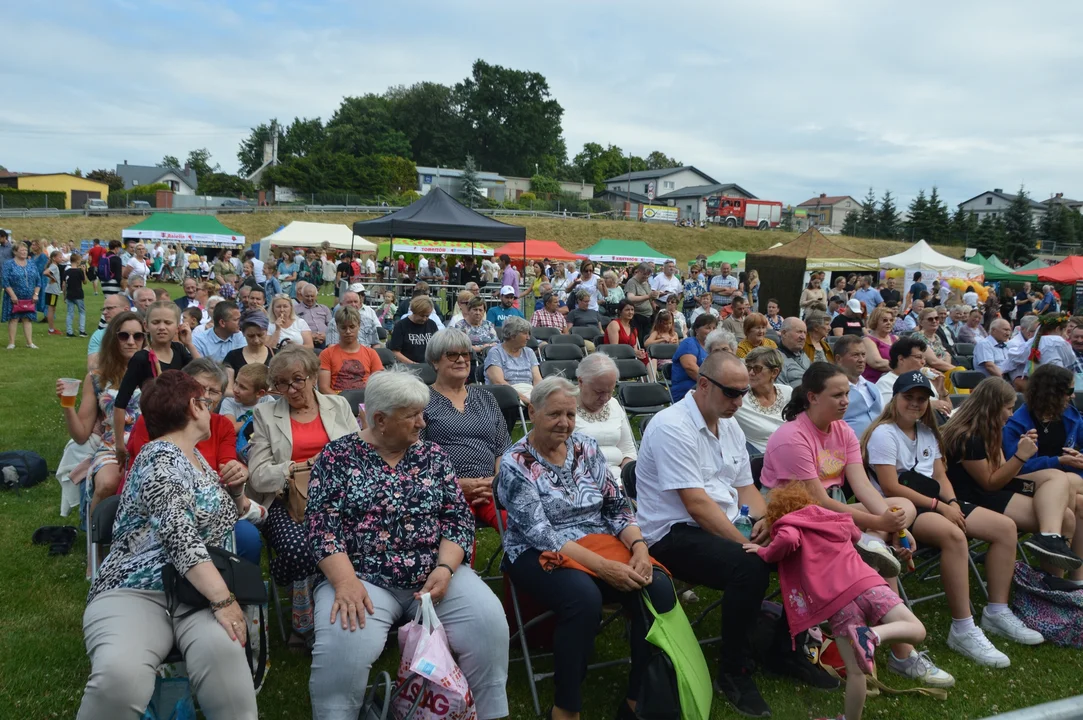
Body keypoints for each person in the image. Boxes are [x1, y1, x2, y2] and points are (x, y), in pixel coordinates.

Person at [308, 368, 508, 720]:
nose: (422, 422)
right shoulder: (337, 457)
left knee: (488, 624)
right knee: (343, 646)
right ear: (380, 419)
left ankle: (489, 712)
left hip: (434, 573)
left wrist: (446, 569)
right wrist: (344, 582)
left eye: (422, 413)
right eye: (412, 415)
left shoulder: (432, 455)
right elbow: (322, 527)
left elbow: (456, 518)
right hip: (362, 576)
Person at [75, 371, 258, 720]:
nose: (210, 410)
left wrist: (235, 493)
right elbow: (180, 536)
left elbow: (213, 521)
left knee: (227, 662)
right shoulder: (160, 457)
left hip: (194, 593)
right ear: (194, 407)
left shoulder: (195, 458)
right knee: (120, 678)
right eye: (206, 402)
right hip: (136, 590)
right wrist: (223, 599)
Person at [497, 376, 672, 720]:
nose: (564, 423)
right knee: (583, 599)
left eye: (571, 414)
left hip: (599, 540)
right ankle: (565, 708)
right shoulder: (515, 462)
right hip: (535, 551)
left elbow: (617, 507)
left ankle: (638, 698)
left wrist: (638, 549)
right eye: (555, 414)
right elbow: (540, 533)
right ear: (532, 412)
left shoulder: (586, 447)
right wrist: (603, 568)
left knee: (659, 588)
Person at [862, 371, 1043, 669]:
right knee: (954, 535)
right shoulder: (884, 432)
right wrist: (939, 505)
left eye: (922, 399)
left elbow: (940, 475)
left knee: (1005, 527)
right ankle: (962, 628)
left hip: (935, 502)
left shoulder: (926, 432)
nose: (916, 404)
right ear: (895, 398)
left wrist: (952, 502)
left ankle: (996, 612)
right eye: (909, 397)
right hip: (902, 508)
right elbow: (891, 485)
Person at [635, 352, 773, 715]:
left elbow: (746, 489)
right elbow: (696, 505)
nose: (739, 402)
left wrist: (767, 522)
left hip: (722, 522)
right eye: (731, 393)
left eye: (744, 393)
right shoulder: (671, 426)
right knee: (751, 566)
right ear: (703, 384)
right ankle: (734, 671)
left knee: (796, 541)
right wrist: (748, 544)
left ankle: (784, 646)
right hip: (670, 533)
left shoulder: (730, 424)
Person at [750, 482, 926, 720]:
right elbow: (855, 534)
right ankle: (875, 636)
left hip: (838, 603)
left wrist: (763, 551)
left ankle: (869, 641)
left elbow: (789, 540)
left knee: (856, 672)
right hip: (867, 583)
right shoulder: (834, 517)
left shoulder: (788, 525)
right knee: (917, 630)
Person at [942, 377, 1083, 584]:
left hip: (995, 489)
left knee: (1058, 477)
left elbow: (1000, 469)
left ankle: (1049, 540)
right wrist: (1020, 456)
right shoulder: (967, 437)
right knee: (1067, 517)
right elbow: (989, 483)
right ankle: (1052, 582)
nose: (1011, 414)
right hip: (975, 497)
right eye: (1008, 408)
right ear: (992, 407)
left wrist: (1020, 450)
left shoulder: (991, 428)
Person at [248, 346, 360, 595]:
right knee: (301, 549)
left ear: (311, 376)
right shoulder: (265, 414)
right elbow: (257, 476)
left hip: (340, 496)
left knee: (363, 537)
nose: (290, 390)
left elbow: (359, 454)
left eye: (297, 380)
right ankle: (303, 616)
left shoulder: (338, 404)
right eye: (282, 384)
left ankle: (342, 594)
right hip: (289, 501)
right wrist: (302, 467)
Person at [421, 329, 510, 531]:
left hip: (491, 489)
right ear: (435, 362)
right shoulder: (422, 401)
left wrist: (496, 482)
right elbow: (414, 455)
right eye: (452, 355)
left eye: (466, 354)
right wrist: (456, 485)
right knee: (457, 537)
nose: (461, 360)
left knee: (520, 527)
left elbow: (503, 447)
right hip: (445, 491)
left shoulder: (486, 398)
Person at [62, 311, 147, 514]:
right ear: (113, 338)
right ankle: (96, 541)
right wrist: (67, 406)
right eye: (123, 335)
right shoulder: (98, 378)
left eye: (138, 336)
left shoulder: (155, 372)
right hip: (114, 446)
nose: (131, 341)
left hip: (149, 443)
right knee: (107, 483)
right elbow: (81, 434)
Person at [114, 302, 199, 471]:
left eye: (168, 323)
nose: (161, 327)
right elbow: (120, 403)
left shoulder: (179, 350)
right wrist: (119, 445)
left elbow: (201, 372)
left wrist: (189, 343)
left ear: (177, 326)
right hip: (151, 429)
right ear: (146, 326)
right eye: (156, 322)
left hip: (180, 425)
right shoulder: (141, 359)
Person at [574, 353, 637, 479]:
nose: (605, 398)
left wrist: (627, 480)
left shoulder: (614, 404)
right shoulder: (564, 408)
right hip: (583, 482)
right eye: (599, 392)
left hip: (619, 481)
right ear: (581, 382)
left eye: (610, 391)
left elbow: (628, 451)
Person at [875, 336, 954, 418]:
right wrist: (931, 405)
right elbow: (890, 412)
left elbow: (949, 410)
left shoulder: (923, 379)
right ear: (901, 359)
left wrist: (941, 391)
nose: (923, 362)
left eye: (924, 359)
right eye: (918, 357)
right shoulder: (885, 382)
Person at [735, 346, 792, 453]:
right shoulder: (739, 397)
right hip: (760, 458)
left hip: (793, 451)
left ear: (774, 372)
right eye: (748, 368)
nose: (751, 373)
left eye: (757, 368)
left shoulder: (788, 392)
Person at [318, 306, 385, 393]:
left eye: (352, 327)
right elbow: (323, 388)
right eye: (343, 328)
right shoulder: (326, 354)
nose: (348, 331)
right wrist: (343, 403)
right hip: (337, 401)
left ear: (359, 326)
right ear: (337, 327)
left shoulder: (371, 353)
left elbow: (379, 385)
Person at [835, 334, 884, 437]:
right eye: (855, 355)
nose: (861, 360)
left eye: (863, 354)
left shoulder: (873, 388)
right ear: (839, 359)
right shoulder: (831, 390)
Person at [484, 316, 541, 405]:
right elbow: (498, 382)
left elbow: (538, 379)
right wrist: (524, 398)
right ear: (513, 335)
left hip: (530, 392)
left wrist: (538, 396)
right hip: (507, 393)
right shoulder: (495, 352)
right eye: (525, 333)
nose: (528, 338)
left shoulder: (529, 352)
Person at [670, 313, 717, 402]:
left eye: (714, 328)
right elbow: (690, 367)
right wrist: (713, 385)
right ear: (696, 330)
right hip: (687, 392)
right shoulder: (689, 343)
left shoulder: (713, 348)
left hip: (706, 390)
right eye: (707, 328)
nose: (712, 331)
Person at [2, 241, 40, 349]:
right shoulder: (9, 264)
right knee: (14, 319)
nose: (24, 252)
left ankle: (29, 342)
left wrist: (36, 294)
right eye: (21, 250)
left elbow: (38, 280)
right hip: (13, 296)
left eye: (25, 250)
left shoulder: (31, 263)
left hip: (29, 297)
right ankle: (11, 343)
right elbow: (5, 281)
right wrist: (13, 295)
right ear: (15, 252)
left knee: (27, 319)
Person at [223, 312, 274, 382]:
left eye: (260, 335)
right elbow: (227, 386)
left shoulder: (277, 356)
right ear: (243, 333)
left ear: (267, 331)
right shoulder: (232, 357)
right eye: (251, 336)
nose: (256, 340)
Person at [388, 295, 438, 365]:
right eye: (422, 315)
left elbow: (437, 348)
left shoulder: (432, 325)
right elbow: (395, 352)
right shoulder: (401, 326)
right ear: (414, 311)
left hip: (428, 365)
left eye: (427, 316)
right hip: (407, 367)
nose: (424, 319)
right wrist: (414, 364)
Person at [605, 299, 649, 367]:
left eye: (632, 309)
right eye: (627, 310)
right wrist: (634, 352)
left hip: (630, 356)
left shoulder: (633, 329)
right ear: (620, 312)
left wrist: (639, 352)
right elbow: (614, 348)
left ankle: (651, 378)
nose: (630, 312)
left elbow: (635, 348)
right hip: (615, 357)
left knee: (647, 357)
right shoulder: (614, 324)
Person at [862, 305, 897, 383]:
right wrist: (903, 366)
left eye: (891, 320)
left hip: (896, 380)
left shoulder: (896, 338)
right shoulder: (867, 340)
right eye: (885, 320)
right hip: (875, 382)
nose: (889, 323)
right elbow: (877, 363)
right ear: (875, 321)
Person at [294, 283, 332, 349]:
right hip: (306, 341)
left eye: (312, 296)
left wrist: (326, 335)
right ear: (302, 296)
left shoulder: (324, 308)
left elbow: (331, 326)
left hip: (326, 340)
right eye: (307, 296)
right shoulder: (295, 310)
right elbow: (293, 329)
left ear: (316, 296)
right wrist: (310, 336)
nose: (310, 298)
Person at [778, 317, 811, 385]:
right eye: (799, 332)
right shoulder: (776, 359)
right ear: (784, 333)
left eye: (805, 333)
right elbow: (781, 390)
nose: (803, 337)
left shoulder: (804, 355)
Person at [63, 252, 88, 337]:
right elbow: (85, 282)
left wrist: (64, 296)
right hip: (79, 295)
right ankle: (82, 331)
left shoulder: (66, 272)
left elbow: (64, 285)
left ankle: (69, 332)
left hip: (69, 294)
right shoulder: (79, 271)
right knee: (82, 312)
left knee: (70, 313)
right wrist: (84, 271)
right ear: (77, 261)